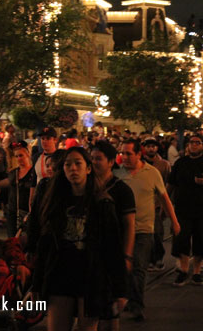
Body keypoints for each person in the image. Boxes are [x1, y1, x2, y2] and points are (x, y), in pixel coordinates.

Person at [32, 147, 126, 331]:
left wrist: (120, 289)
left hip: (91, 276)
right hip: (60, 274)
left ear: (88, 168)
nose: (73, 169)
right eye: (68, 165)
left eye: (78, 164)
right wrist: (37, 283)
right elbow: (45, 245)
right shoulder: (55, 203)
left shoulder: (102, 203)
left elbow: (113, 248)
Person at [114, 139, 180, 321]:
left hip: (144, 229)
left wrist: (174, 222)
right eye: (122, 153)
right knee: (123, 267)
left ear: (138, 154)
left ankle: (136, 304)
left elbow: (164, 198)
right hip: (122, 229)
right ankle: (126, 298)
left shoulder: (152, 173)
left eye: (128, 154)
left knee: (138, 267)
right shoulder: (117, 174)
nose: (125, 157)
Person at [91, 141, 135, 331]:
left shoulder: (122, 190)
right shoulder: (85, 187)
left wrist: (126, 255)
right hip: (91, 253)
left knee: (111, 305)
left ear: (110, 162)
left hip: (113, 252)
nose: (94, 162)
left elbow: (129, 225)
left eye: (98, 159)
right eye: (91, 158)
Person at [169, 134, 203, 287]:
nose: (194, 145)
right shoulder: (180, 163)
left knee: (200, 240)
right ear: (187, 145)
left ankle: (197, 272)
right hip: (183, 208)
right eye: (191, 143)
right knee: (182, 238)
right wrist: (164, 203)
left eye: (197, 143)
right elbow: (171, 184)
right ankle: (184, 270)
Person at [141, 137, 171, 271]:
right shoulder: (139, 163)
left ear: (157, 148)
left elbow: (168, 185)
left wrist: (166, 206)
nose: (151, 149)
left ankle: (158, 258)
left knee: (158, 233)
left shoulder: (164, 164)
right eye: (148, 146)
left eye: (153, 146)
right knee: (145, 234)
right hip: (142, 204)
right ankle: (149, 259)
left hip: (158, 204)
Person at [0, 141, 35, 237]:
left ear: (28, 155)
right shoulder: (13, 173)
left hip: (27, 213)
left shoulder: (34, 173)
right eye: (16, 156)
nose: (19, 159)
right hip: (13, 213)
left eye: (21, 155)